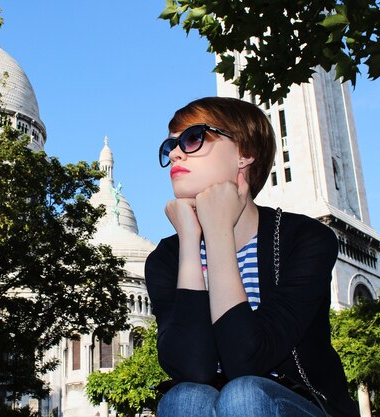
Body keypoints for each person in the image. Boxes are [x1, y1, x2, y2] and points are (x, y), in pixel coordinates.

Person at [145, 97, 359, 417]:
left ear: (244, 153)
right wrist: (191, 241)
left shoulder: (306, 239)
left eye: (192, 138)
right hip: (215, 403)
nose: (175, 152)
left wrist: (218, 233)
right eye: (170, 145)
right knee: (183, 398)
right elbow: (192, 368)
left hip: (300, 405)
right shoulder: (166, 258)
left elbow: (246, 361)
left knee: (243, 394)